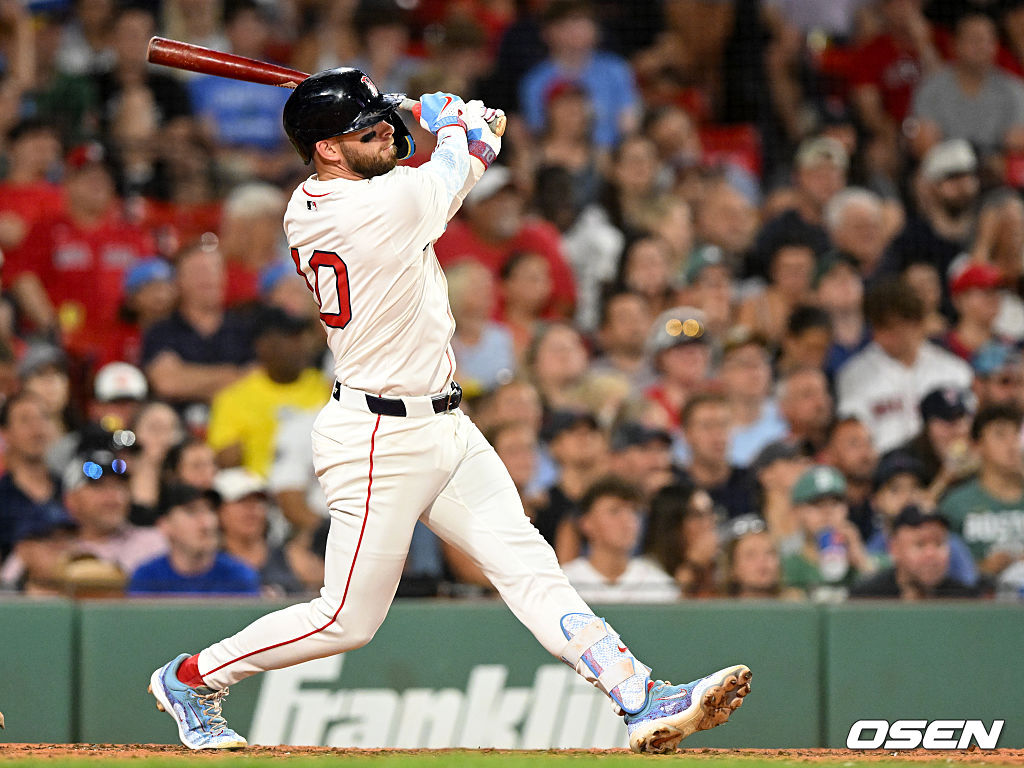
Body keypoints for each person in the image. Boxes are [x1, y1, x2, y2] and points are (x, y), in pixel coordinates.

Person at [145, 72, 750, 754]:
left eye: (381, 122)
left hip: (445, 424)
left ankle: (639, 694)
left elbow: (450, 157)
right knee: (346, 620)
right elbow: (473, 155)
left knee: (529, 566)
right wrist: (458, 119)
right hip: (377, 437)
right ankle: (191, 679)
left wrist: (443, 122)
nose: (384, 134)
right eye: (365, 131)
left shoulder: (352, 194)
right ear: (326, 151)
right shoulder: (371, 208)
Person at [837, 280, 973, 454]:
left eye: (894, 328)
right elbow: (851, 434)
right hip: (884, 468)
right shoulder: (854, 375)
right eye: (879, 328)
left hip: (946, 463)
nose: (885, 337)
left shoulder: (954, 371)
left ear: (916, 323)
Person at [206, 307, 329, 476]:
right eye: (291, 338)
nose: (301, 345)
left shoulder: (327, 388)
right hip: (260, 491)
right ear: (264, 346)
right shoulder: (234, 398)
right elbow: (225, 460)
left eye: (302, 337)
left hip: (319, 489)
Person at [560, 476, 680, 603]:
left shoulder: (659, 585)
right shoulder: (564, 583)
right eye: (615, 511)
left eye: (634, 511)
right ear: (587, 523)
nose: (628, 520)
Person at [129, 483, 260, 597]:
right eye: (192, 511)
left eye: (210, 511)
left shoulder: (239, 576)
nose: (207, 523)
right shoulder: (147, 577)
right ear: (164, 525)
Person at [938, 404, 1024, 577]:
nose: (1012, 443)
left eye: (1017, 434)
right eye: (1000, 434)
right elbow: (941, 571)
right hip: (977, 599)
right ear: (977, 445)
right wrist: (982, 568)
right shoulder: (955, 505)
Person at [849, 506, 979, 599]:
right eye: (920, 545)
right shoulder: (868, 598)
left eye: (939, 544)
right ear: (894, 549)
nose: (931, 554)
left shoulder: (964, 600)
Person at [0, 392, 67, 561]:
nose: (37, 429)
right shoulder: (3, 496)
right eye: (25, 420)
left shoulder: (70, 489)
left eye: (43, 418)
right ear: (5, 433)